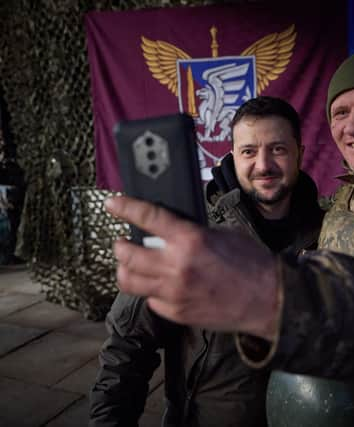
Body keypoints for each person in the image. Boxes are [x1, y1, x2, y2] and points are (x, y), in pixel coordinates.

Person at [105, 49, 354, 426]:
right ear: (231, 156)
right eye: (340, 112)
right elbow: (126, 346)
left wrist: (273, 295)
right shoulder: (207, 235)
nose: (353, 124)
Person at [89, 96, 325, 427]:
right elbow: (127, 346)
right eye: (249, 151)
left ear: (299, 152)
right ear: (233, 155)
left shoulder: (330, 231)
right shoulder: (190, 235)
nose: (263, 164)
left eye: (278, 149)